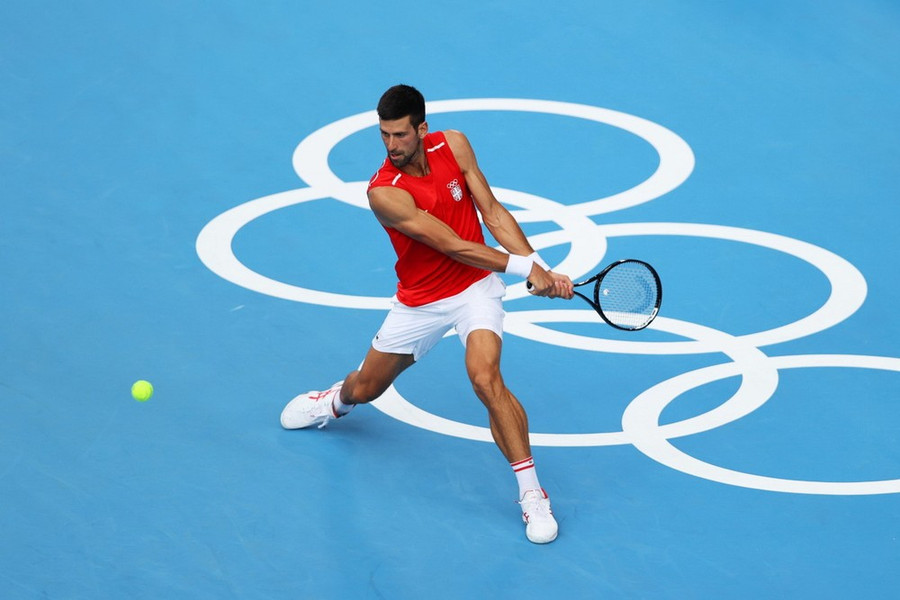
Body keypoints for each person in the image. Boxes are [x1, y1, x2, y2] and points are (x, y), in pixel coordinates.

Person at [281, 84, 574, 544]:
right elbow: (453, 245)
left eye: (400, 134)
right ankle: (334, 402)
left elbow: (492, 213)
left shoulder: (453, 144)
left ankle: (532, 494)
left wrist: (542, 266)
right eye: (383, 135)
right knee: (367, 387)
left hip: (475, 288)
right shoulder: (384, 193)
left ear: (422, 128)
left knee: (485, 377)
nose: (391, 145)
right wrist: (525, 268)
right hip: (419, 302)